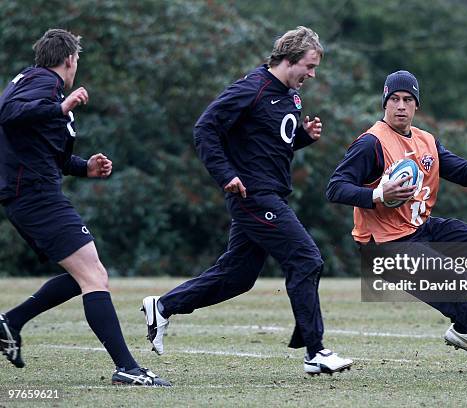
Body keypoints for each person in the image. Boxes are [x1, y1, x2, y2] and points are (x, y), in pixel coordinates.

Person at [141, 26, 352, 376]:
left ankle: (163, 306)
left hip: (268, 193)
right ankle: (315, 352)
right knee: (307, 259)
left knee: (238, 276)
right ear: (288, 59)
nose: (312, 75)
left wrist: (302, 137)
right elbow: (205, 129)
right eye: (309, 66)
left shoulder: (291, 97)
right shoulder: (250, 88)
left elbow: (269, 143)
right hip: (252, 196)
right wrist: (225, 175)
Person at [326, 70, 467, 377]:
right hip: (385, 247)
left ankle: (463, 326)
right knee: (457, 285)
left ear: (416, 106)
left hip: (420, 230)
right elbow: (335, 188)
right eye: (394, 99)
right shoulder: (371, 143)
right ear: (384, 103)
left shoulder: (426, 140)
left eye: (407, 99)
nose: (400, 106)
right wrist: (377, 193)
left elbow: (465, 175)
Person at [0, 29, 170, 386]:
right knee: (94, 277)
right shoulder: (44, 83)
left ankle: (11, 322)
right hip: (34, 195)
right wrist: (60, 106)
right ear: (69, 61)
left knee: (86, 275)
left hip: (32, 193)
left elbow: (41, 148)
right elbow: (9, 114)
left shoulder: (32, 81)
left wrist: (84, 167)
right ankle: (127, 368)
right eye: (77, 61)